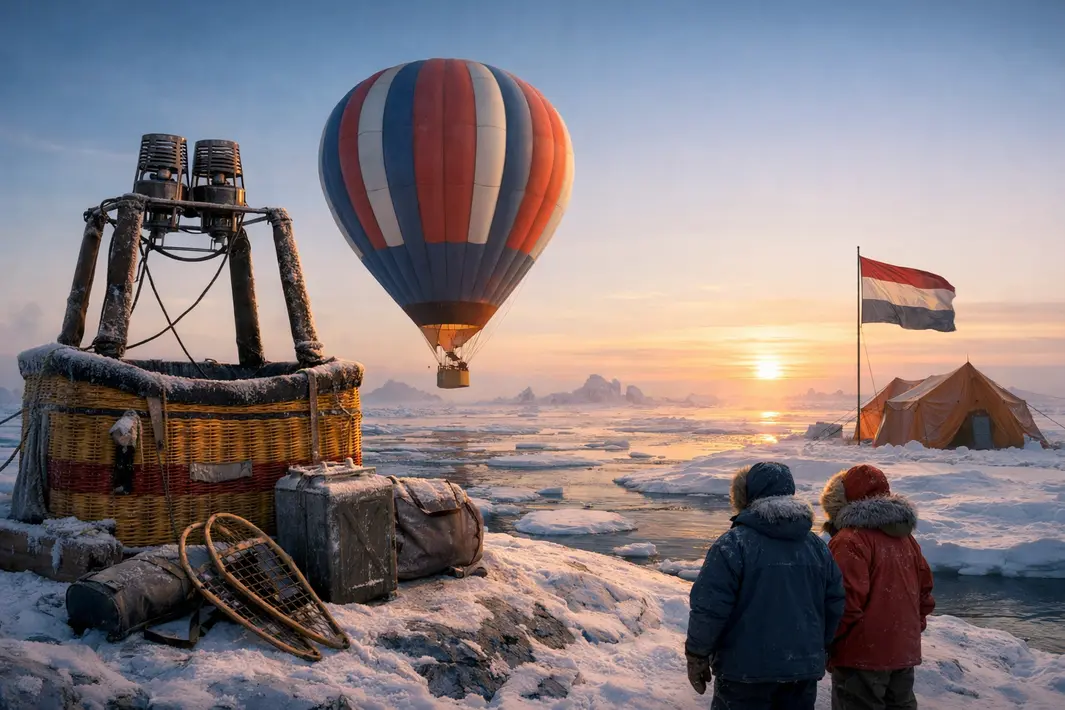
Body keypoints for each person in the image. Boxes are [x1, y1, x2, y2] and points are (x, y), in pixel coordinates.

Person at [685, 461, 846, 710]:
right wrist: (819, 646)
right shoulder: (816, 547)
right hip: (801, 670)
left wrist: (697, 653)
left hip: (744, 672)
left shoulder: (733, 544)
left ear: (746, 495)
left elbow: (710, 606)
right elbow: (834, 602)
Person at [820, 464, 935, 710]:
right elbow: (924, 594)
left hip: (860, 655)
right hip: (903, 651)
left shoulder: (849, 540)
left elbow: (844, 602)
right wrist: (909, 631)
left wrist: (826, 641)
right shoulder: (906, 539)